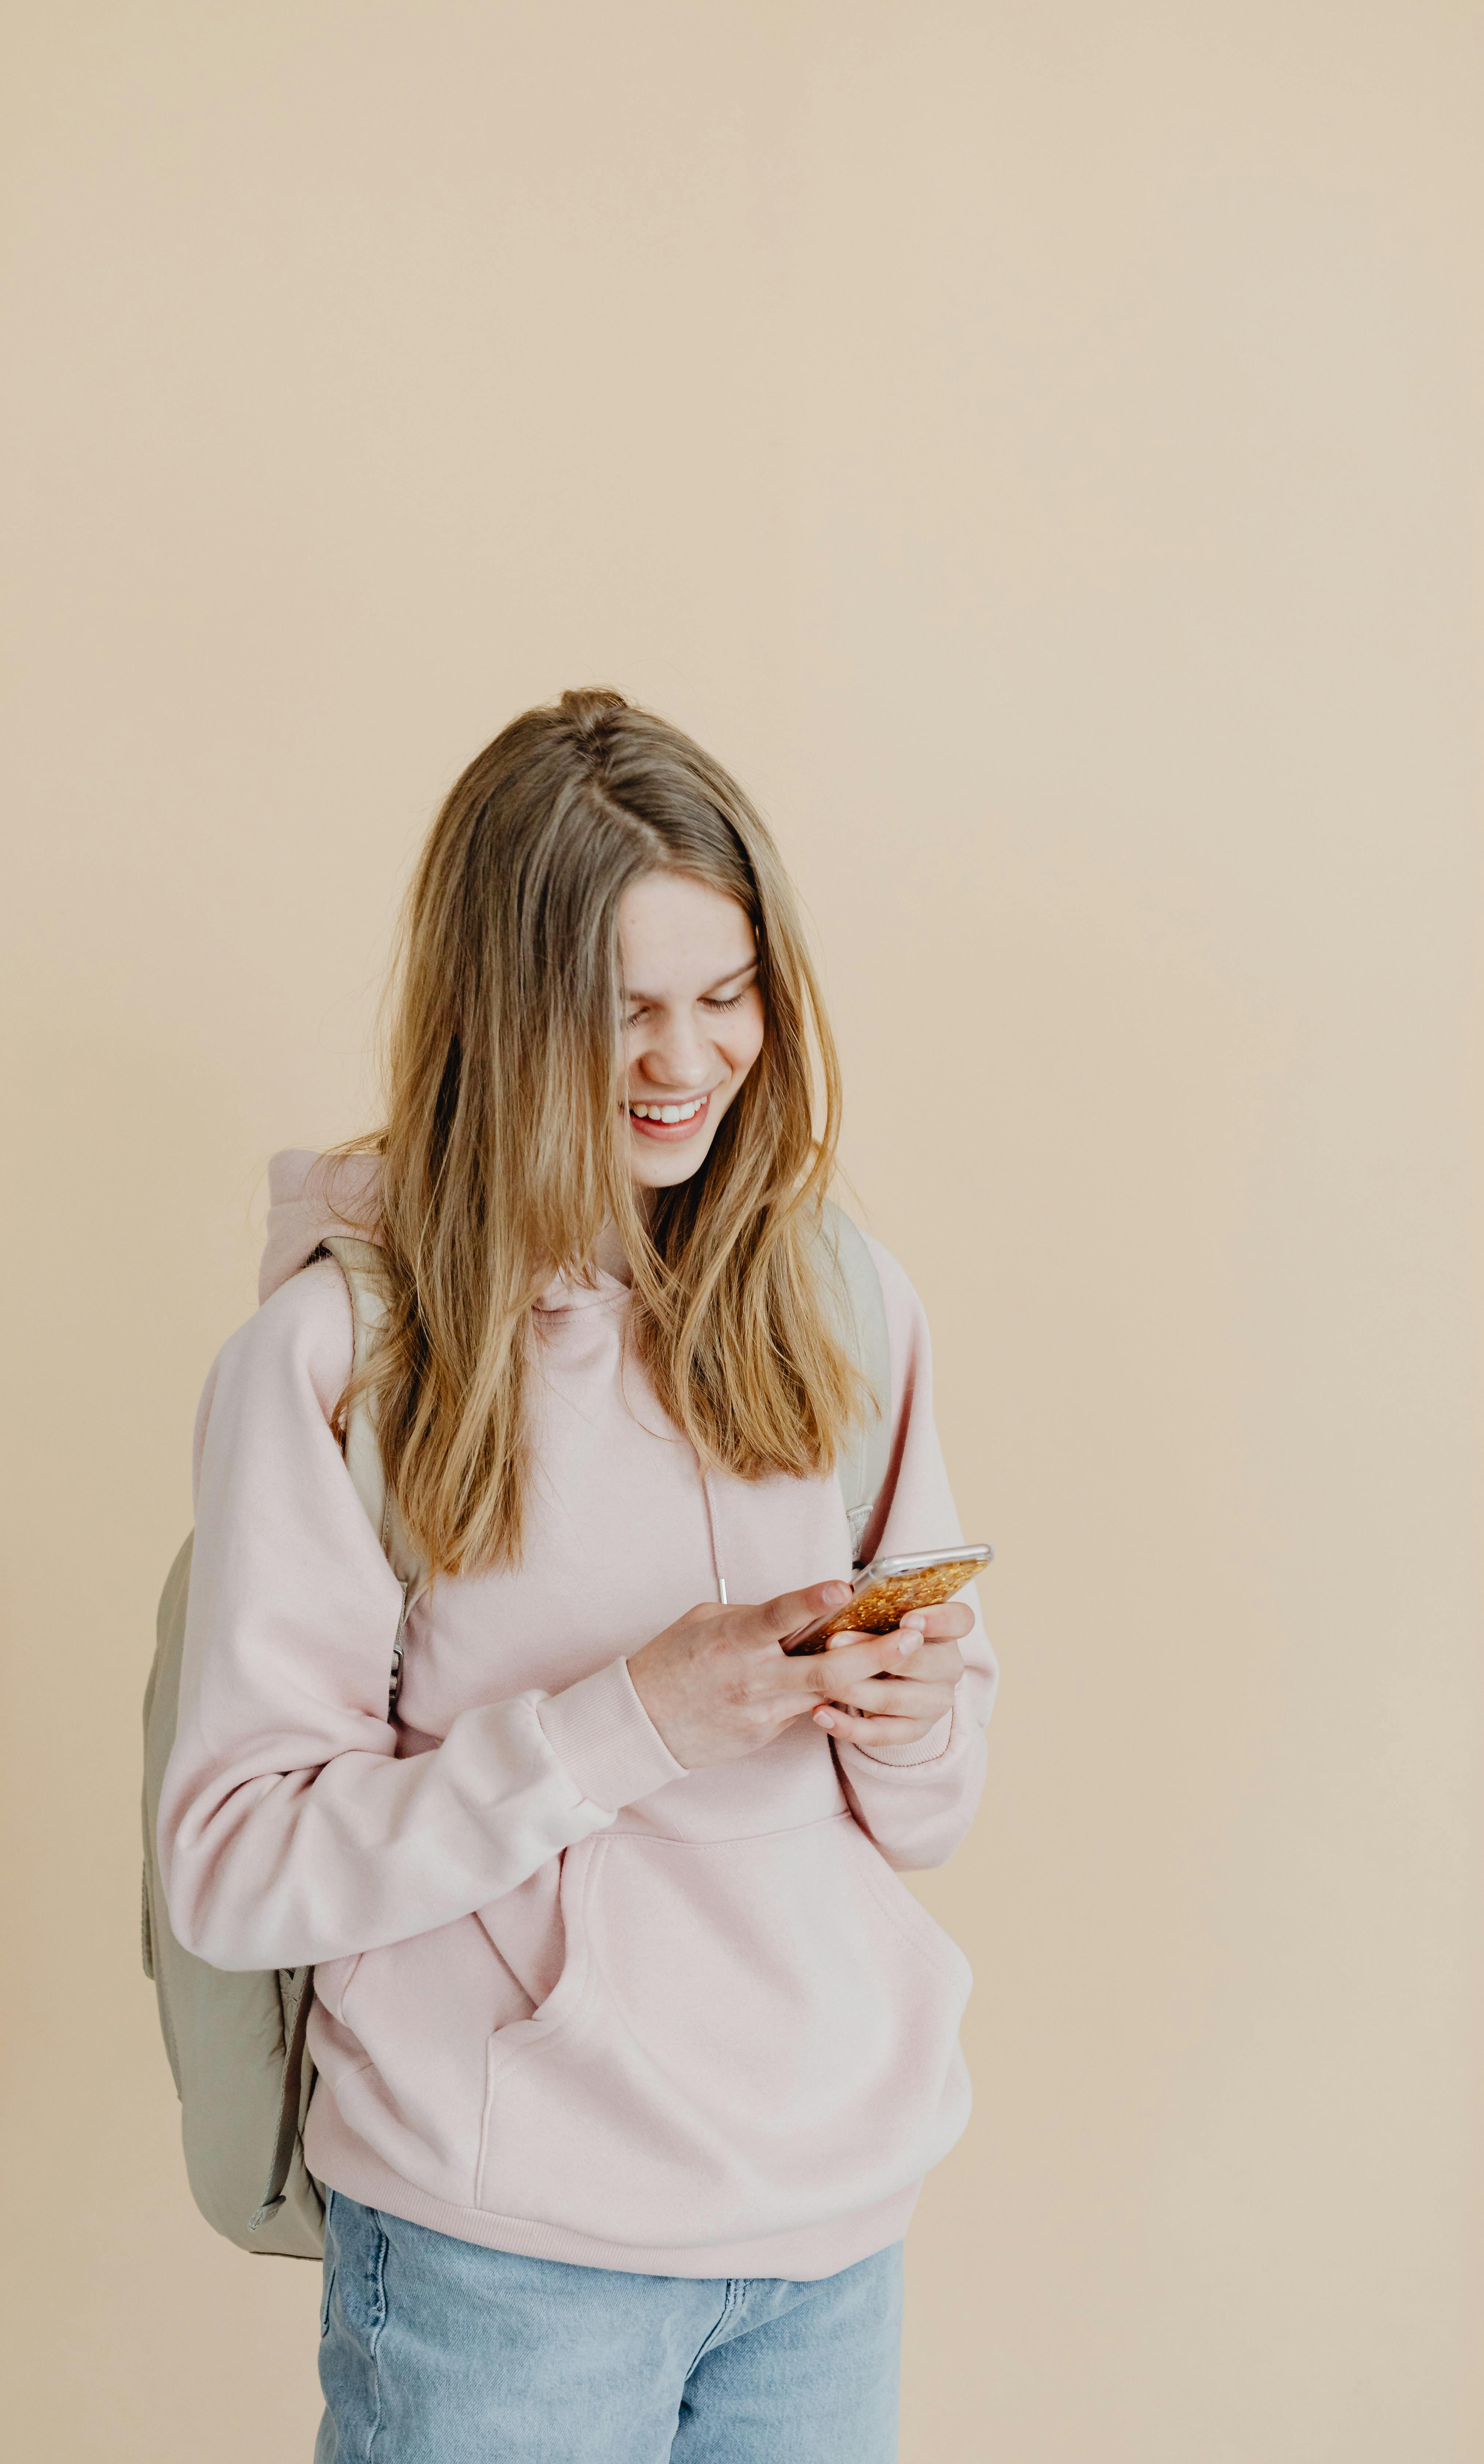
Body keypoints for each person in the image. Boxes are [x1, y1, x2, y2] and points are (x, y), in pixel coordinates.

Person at [158, 688, 999, 2464]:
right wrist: (629, 1722)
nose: (683, 1064)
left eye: (724, 997)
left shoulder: (847, 1302)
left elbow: (927, 1808)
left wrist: (915, 1715)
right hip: (502, 2269)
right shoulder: (339, 1364)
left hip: (831, 2234)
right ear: (495, 1014)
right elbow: (233, 1871)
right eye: (617, 1015)